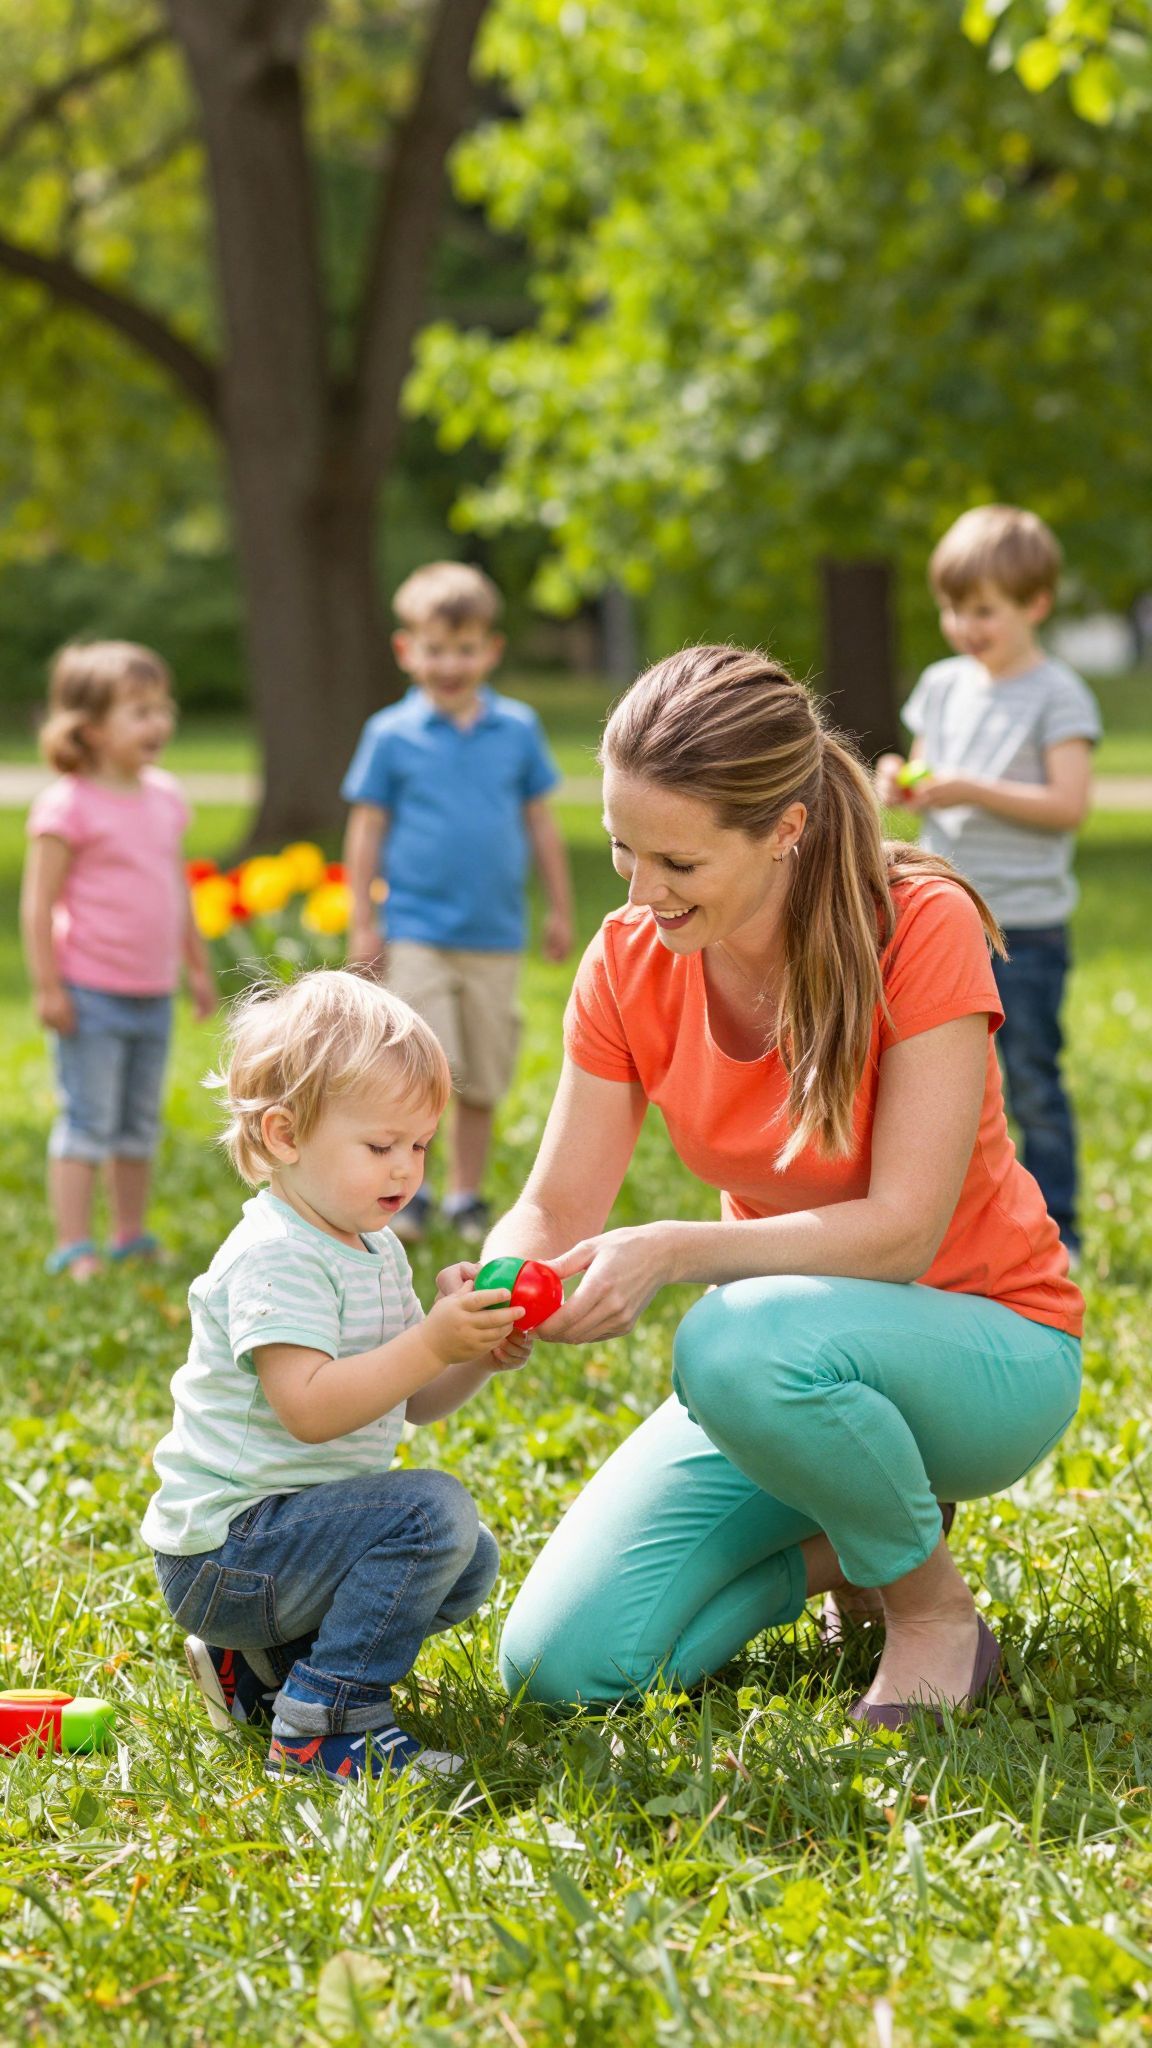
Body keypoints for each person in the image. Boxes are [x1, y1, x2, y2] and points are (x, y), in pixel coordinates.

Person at [447, 645, 1083, 1728]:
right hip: (784, 1365)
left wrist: (672, 1249)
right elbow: (555, 1204)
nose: (642, 892)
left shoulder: (917, 925)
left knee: (727, 1337)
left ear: (784, 829)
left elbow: (902, 1232)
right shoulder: (627, 959)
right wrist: (505, 1278)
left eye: (678, 863)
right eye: (621, 849)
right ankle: (861, 1540)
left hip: (986, 1347)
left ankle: (932, 1613)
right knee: (561, 1664)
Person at [141, 969, 529, 1782]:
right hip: (227, 1553)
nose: (405, 1171)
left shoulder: (373, 1247)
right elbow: (311, 1410)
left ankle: (261, 1671)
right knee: (432, 1514)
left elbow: (412, 1401)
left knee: (466, 1559)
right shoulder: (277, 1255)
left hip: (281, 1543)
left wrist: (471, 1355)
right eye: (380, 1147)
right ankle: (325, 1724)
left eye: (419, 1146)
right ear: (285, 1136)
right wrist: (432, 1340)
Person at [875, 506, 1101, 1259]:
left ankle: (1059, 1226)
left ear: (1036, 604)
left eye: (983, 611)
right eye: (952, 609)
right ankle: (949, 1220)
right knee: (939, 1081)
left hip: (1025, 929)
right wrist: (901, 781)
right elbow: (922, 770)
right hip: (944, 921)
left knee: (1030, 1077)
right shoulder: (942, 685)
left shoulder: (1057, 694)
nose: (963, 626)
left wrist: (970, 788)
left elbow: (1068, 805)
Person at [342, 562, 573, 1246]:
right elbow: (367, 828)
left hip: (496, 935)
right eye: (435, 649)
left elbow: (540, 822)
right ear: (405, 650)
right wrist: (363, 919)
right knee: (422, 1064)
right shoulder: (390, 734)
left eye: (465, 649)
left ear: (491, 650)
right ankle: (410, 1191)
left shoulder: (518, 729)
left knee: (482, 1075)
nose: (450, 664)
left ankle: (466, 1195)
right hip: (417, 929)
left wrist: (559, 908)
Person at [20, 641, 216, 1279]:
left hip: (152, 991)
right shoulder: (68, 805)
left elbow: (175, 888)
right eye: (139, 711)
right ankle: (75, 1244)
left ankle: (129, 1234)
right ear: (91, 729)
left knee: (138, 1123)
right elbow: (37, 902)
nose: (159, 722)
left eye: (162, 707)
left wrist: (196, 966)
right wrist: (48, 986)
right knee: (88, 1121)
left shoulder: (164, 797)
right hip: (90, 991)